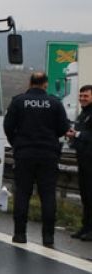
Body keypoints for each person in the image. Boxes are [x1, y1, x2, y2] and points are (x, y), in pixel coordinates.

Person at [3, 72, 71, 247]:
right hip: (48, 155)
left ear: (30, 83)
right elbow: (64, 127)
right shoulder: (55, 103)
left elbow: (8, 126)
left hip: (24, 154)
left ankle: (19, 234)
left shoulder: (18, 101)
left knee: (22, 194)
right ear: (46, 84)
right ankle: (48, 237)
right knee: (48, 196)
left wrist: (17, 143)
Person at [67, 84, 92, 241]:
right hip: (83, 161)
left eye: (86, 96)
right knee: (86, 196)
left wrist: (76, 134)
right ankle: (85, 227)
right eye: (81, 96)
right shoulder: (83, 114)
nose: (82, 98)